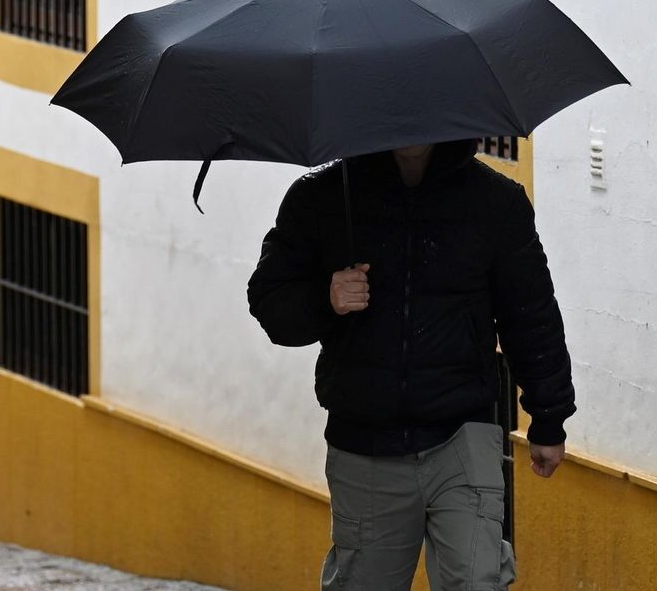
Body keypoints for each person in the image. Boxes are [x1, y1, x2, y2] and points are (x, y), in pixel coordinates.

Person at [247, 140, 576, 590]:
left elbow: (530, 314)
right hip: (365, 446)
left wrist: (549, 416)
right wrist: (326, 299)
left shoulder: (494, 202)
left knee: (477, 582)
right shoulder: (322, 197)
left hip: (463, 435)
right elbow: (270, 302)